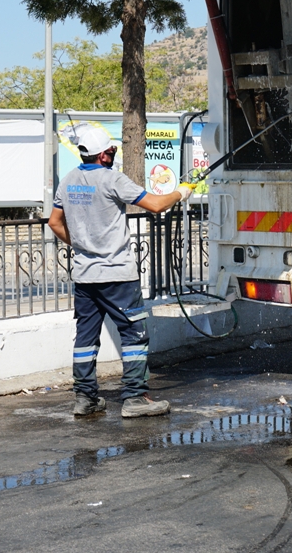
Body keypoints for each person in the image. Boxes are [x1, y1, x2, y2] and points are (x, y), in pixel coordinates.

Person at [49, 130, 193, 417]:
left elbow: (54, 222)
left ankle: (85, 397)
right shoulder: (112, 179)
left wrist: (80, 244)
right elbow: (156, 205)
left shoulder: (68, 181)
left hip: (85, 276)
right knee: (134, 333)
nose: (113, 155)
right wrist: (182, 191)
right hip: (117, 276)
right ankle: (134, 398)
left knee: (85, 338)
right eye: (111, 151)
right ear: (103, 155)